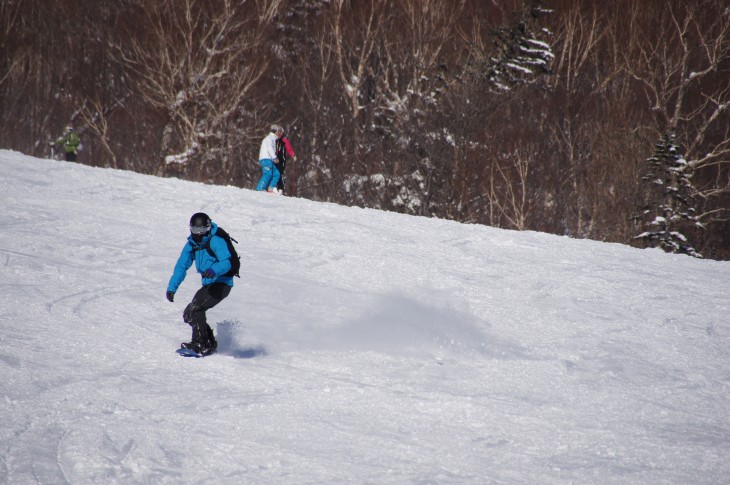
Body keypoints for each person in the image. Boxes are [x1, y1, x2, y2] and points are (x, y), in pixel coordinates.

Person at [166, 212, 234, 355]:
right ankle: (209, 341)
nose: (198, 234)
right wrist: (172, 287)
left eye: (202, 230)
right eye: (195, 230)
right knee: (189, 314)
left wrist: (214, 270)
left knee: (195, 309)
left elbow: (227, 262)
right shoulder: (192, 243)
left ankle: (201, 344)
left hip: (222, 283)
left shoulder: (215, 240)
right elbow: (181, 266)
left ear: (208, 228)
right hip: (209, 284)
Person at [256, 124, 285, 193]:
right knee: (268, 174)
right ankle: (259, 189)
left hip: (270, 160)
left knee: (277, 174)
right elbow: (270, 149)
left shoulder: (273, 139)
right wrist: (274, 157)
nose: (280, 134)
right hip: (266, 159)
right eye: (279, 132)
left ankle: (271, 188)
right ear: (275, 131)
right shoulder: (269, 138)